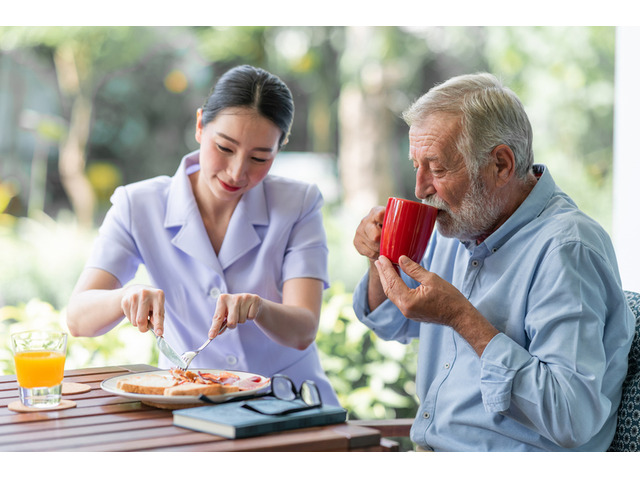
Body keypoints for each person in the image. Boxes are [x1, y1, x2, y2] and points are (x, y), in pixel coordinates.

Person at [352, 72, 635, 450]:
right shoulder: (461, 222)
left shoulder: (568, 249)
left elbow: (572, 417)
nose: (420, 189)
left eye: (437, 168)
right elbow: (391, 323)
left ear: (501, 164)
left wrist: (461, 318)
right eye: (416, 165)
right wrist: (378, 258)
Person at [67, 64, 340, 406]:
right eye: (225, 148)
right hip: (188, 404)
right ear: (200, 125)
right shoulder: (138, 205)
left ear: (279, 148)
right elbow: (78, 319)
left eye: (259, 157)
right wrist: (126, 295)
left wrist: (260, 308)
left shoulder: (298, 203)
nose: (237, 171)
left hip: (289, 402)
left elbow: (303, 330)